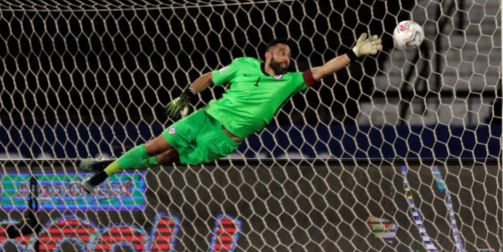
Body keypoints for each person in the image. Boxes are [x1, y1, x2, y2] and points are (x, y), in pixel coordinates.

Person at [79, 33, 382, 194]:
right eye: (281, 52)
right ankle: (100, 177)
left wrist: (353, 54)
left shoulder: (290, 83)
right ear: (267, 55)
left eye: (289, 54)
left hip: (223, 142)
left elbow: (322, 69)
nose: (287, 57)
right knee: (154, 146)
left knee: (161, 160)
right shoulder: (242, 64)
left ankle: (108, 164)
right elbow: (209, 78)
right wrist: (187, 95)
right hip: (205, 117)